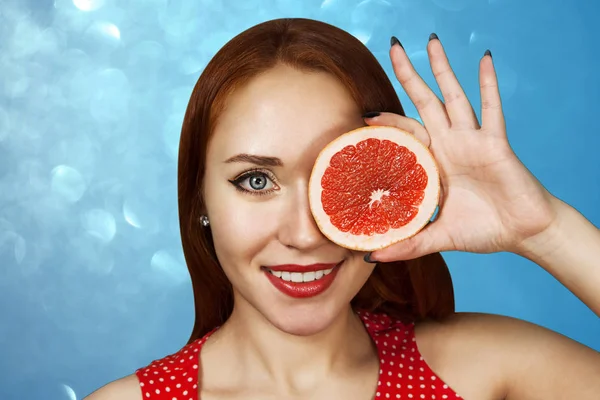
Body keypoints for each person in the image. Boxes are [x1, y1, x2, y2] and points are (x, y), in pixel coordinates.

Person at [86, 18, 600, 400]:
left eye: (339, 181)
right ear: (200, 198)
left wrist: (544, 231)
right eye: (256, 180)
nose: (306, 234)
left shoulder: (485, 369)